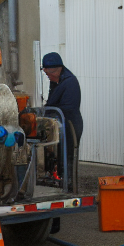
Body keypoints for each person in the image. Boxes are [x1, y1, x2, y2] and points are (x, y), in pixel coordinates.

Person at [42, 52, 82, 188]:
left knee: (68, 153)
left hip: (70, 123)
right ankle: (59, 178)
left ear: (56, 70)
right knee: (58, 153)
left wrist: (48, 111)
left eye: (48, 74)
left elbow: (66, 108)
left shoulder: (69, 82)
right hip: (60, 123)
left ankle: (69, 182)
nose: (47, 77)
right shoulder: (55, 82)